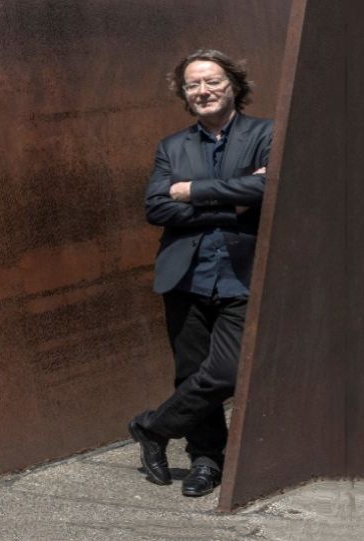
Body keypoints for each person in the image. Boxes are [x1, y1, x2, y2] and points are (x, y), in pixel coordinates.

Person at [128, 50, 272, 497]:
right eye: (193, 85)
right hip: (185, 276)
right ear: (184, 94)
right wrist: (231, 206)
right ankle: (206, 460)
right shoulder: (172, 146)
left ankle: (152, 428)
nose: (203, 91)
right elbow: (156, 207)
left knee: (227, 371)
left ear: (234, 85)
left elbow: (268, 186)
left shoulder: (266, 134)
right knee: (190, 372)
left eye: (212, 81)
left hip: (241, 274)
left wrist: (192, 191)